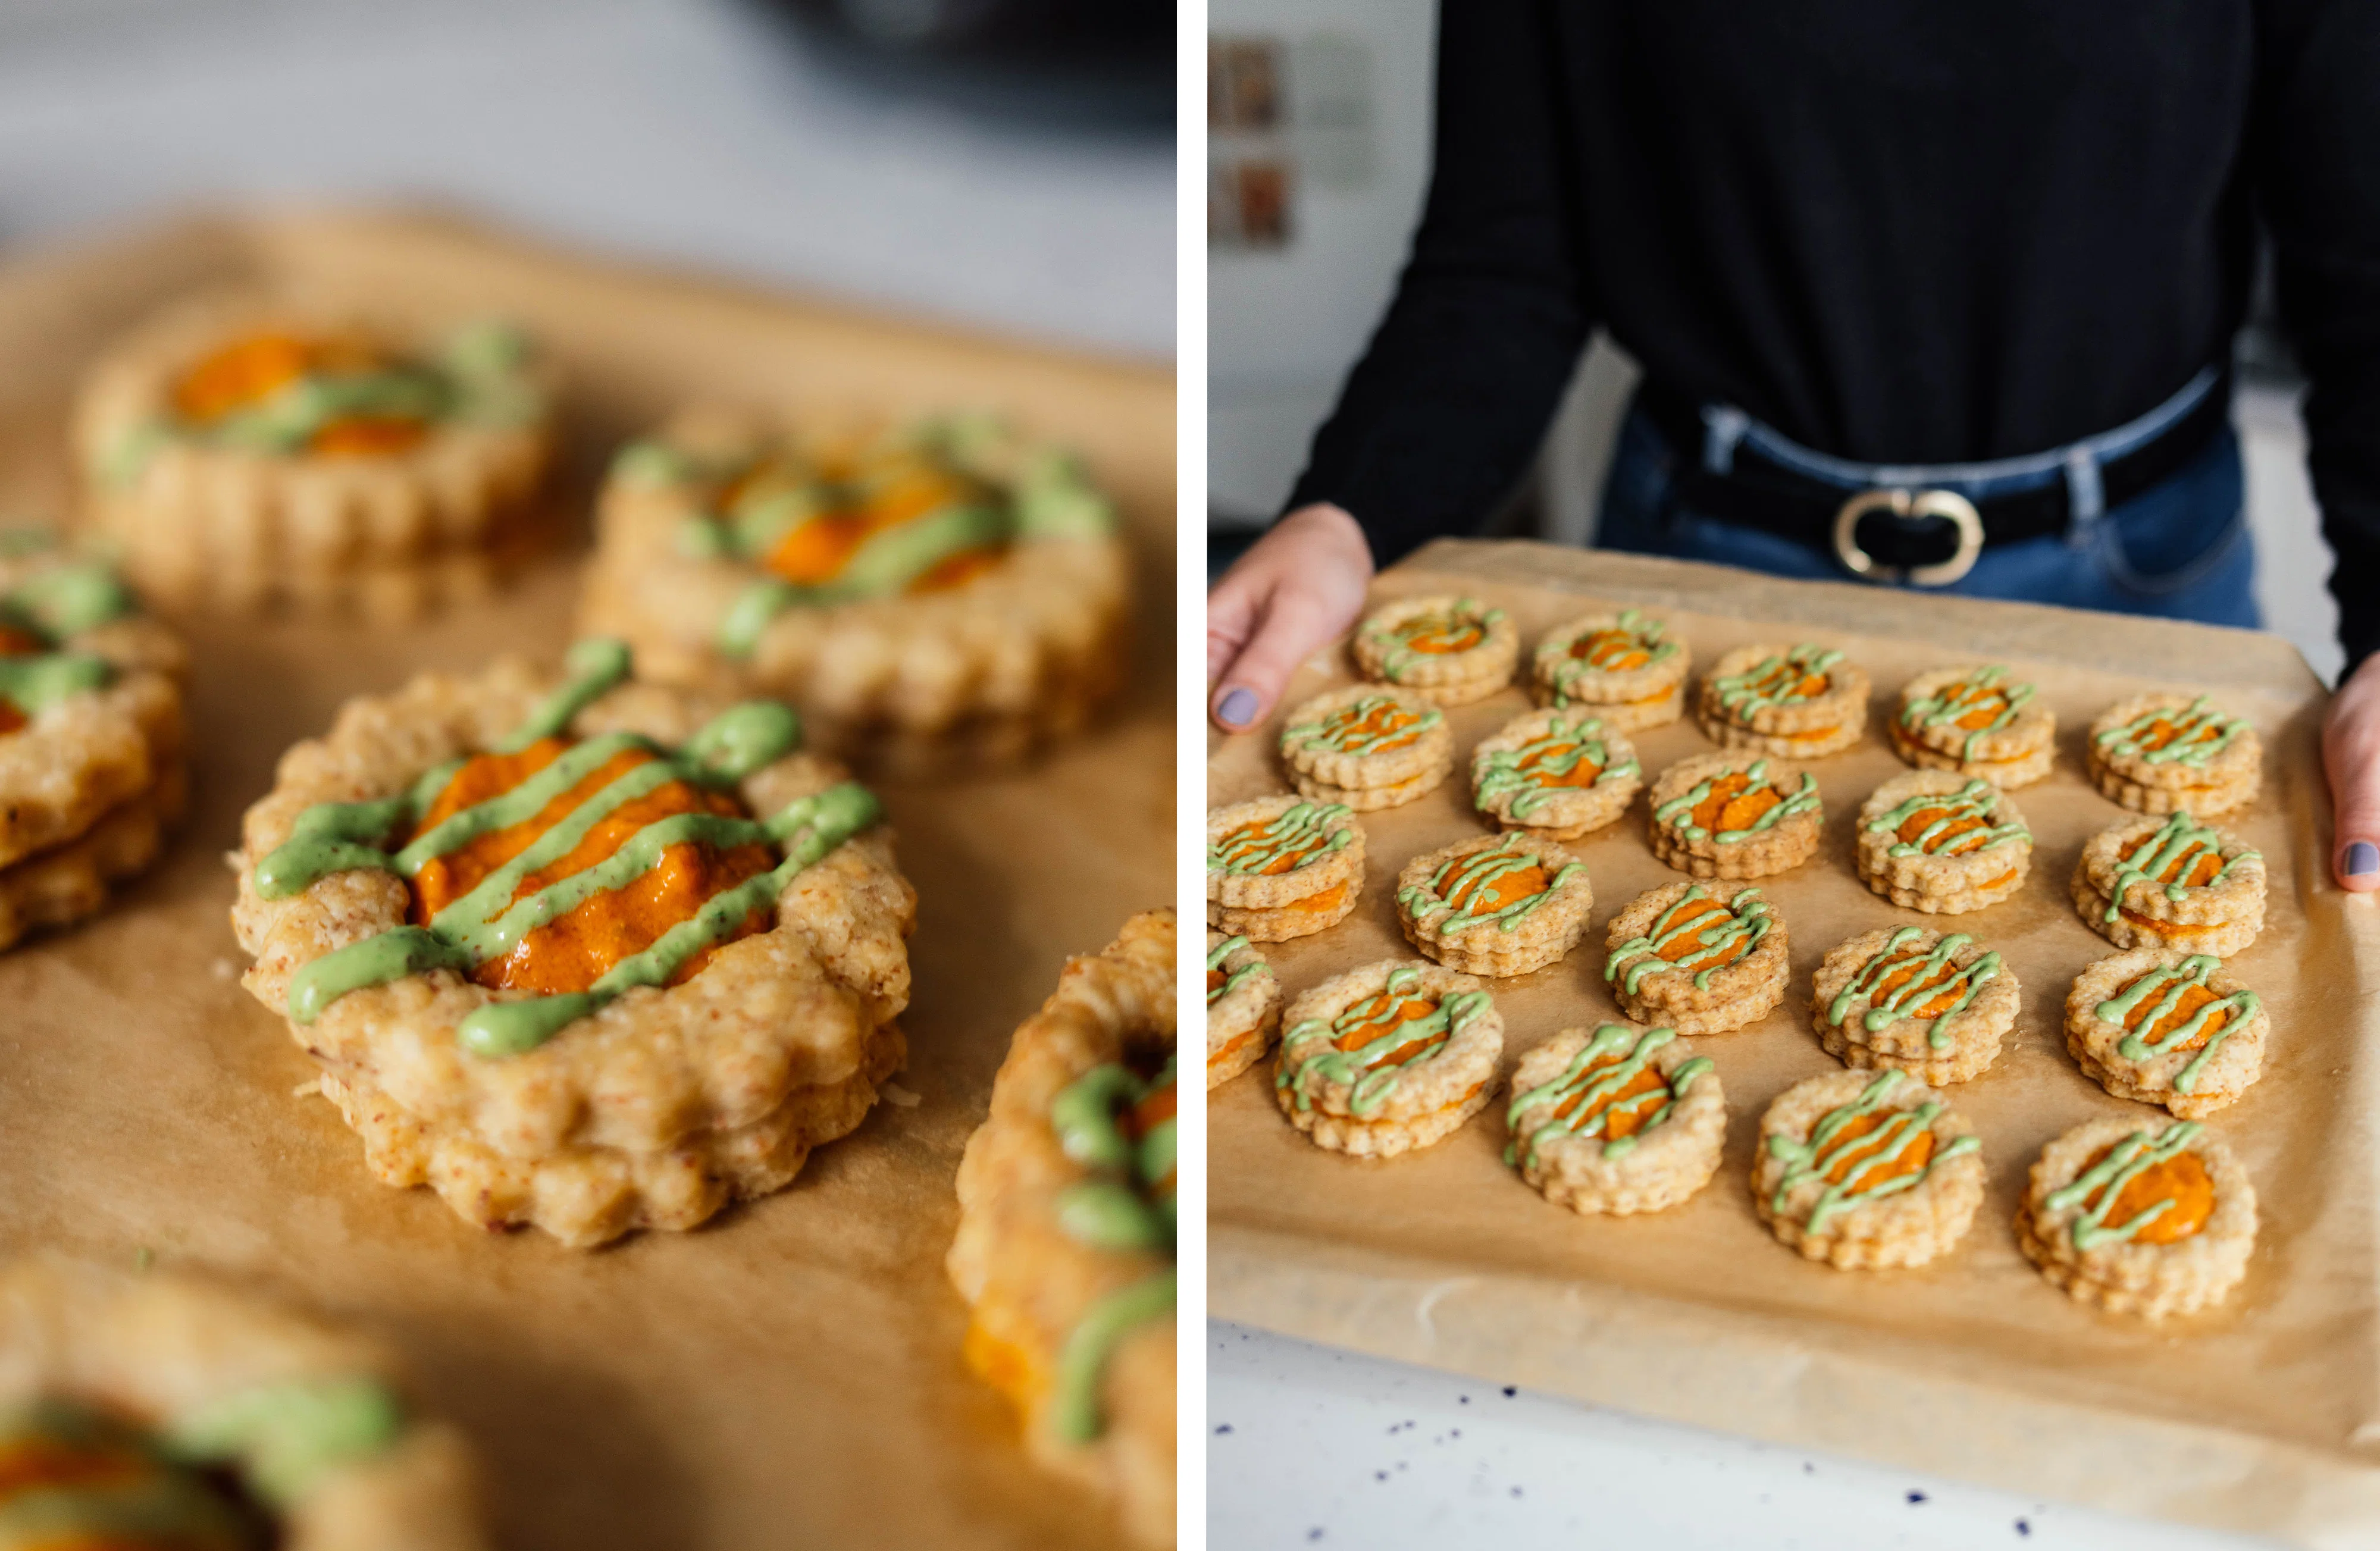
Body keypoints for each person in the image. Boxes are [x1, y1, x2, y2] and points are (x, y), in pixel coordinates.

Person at [1205, 2, 2380, 892]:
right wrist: (1343, 512)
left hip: (2138, 583)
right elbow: (1503, 257)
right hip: (1698, 574)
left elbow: (2363, 268)